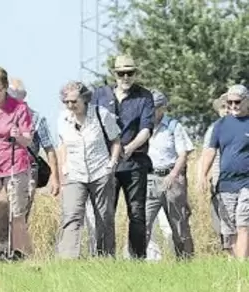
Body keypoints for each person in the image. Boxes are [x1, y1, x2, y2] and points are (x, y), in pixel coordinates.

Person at [91, 55, 155, 259]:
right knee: (104, 213)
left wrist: (128, 148)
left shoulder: (144, 96)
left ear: (136, 73)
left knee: (136, 213)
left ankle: (137, 258)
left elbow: (146, 128)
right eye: (121, 73)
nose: (126, 77)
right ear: (114, 74)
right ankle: (104, 257)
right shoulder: (99, 95)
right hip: (105, 164)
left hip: (134, 161)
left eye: (130, 73)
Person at [0, 78, 60, 256]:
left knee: (19, 212)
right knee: (0, 207)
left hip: (27, 169)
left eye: (14, 94)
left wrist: (55, 178)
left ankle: (18, 252)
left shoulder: (36, 118)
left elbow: (49, 148)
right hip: (0, 168)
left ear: (23, 96)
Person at [56, 81, 121, 258]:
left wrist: (112, 164)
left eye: (74, 101)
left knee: (104, 217)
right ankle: (68, 258)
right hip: (75, 173)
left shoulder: (101, 114)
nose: (70, 105)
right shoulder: (63, 119)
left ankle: (105, 256)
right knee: (71, 214)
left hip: (100, 171)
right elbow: (62, 144)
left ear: (84, 99)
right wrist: (64, 168)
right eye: (66, 102)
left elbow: (115, 140)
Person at [0, 66, 33, 261]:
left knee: (17, 210)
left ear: (6, 87)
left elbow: (28, 140)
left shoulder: (19, 108)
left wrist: (19, 136)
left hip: (14, 163)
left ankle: (18, 253)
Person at [199, 84, 249, 259]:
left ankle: (242, 265)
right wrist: (203, 175)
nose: (233, 106)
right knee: (230, 228)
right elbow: (210, 150)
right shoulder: (220, 125)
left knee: (244, 223)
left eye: (237, 102)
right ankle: (237, 266)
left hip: (246, 183)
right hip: (226, 184)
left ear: (246, 101)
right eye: (230, 102)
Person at [143, 90, 194, 259]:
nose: (151, 111)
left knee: (178, 224)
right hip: (149, 178)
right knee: (142, 222)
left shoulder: (174, 126)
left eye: (154, 107)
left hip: (170, 177)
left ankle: (185, 260)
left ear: (162, 108)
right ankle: (136, 260)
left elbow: (183, 155)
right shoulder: (142, 127)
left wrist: (173, 175)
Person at [199, 93, 230, 251]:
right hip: (218, 180)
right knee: (220, 220)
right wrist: (203, 175)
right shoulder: (213, 129)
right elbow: (206, 153)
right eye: (223, 107)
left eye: (229, 106)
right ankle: (229, 253)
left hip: (240, 180)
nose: (226, 110)